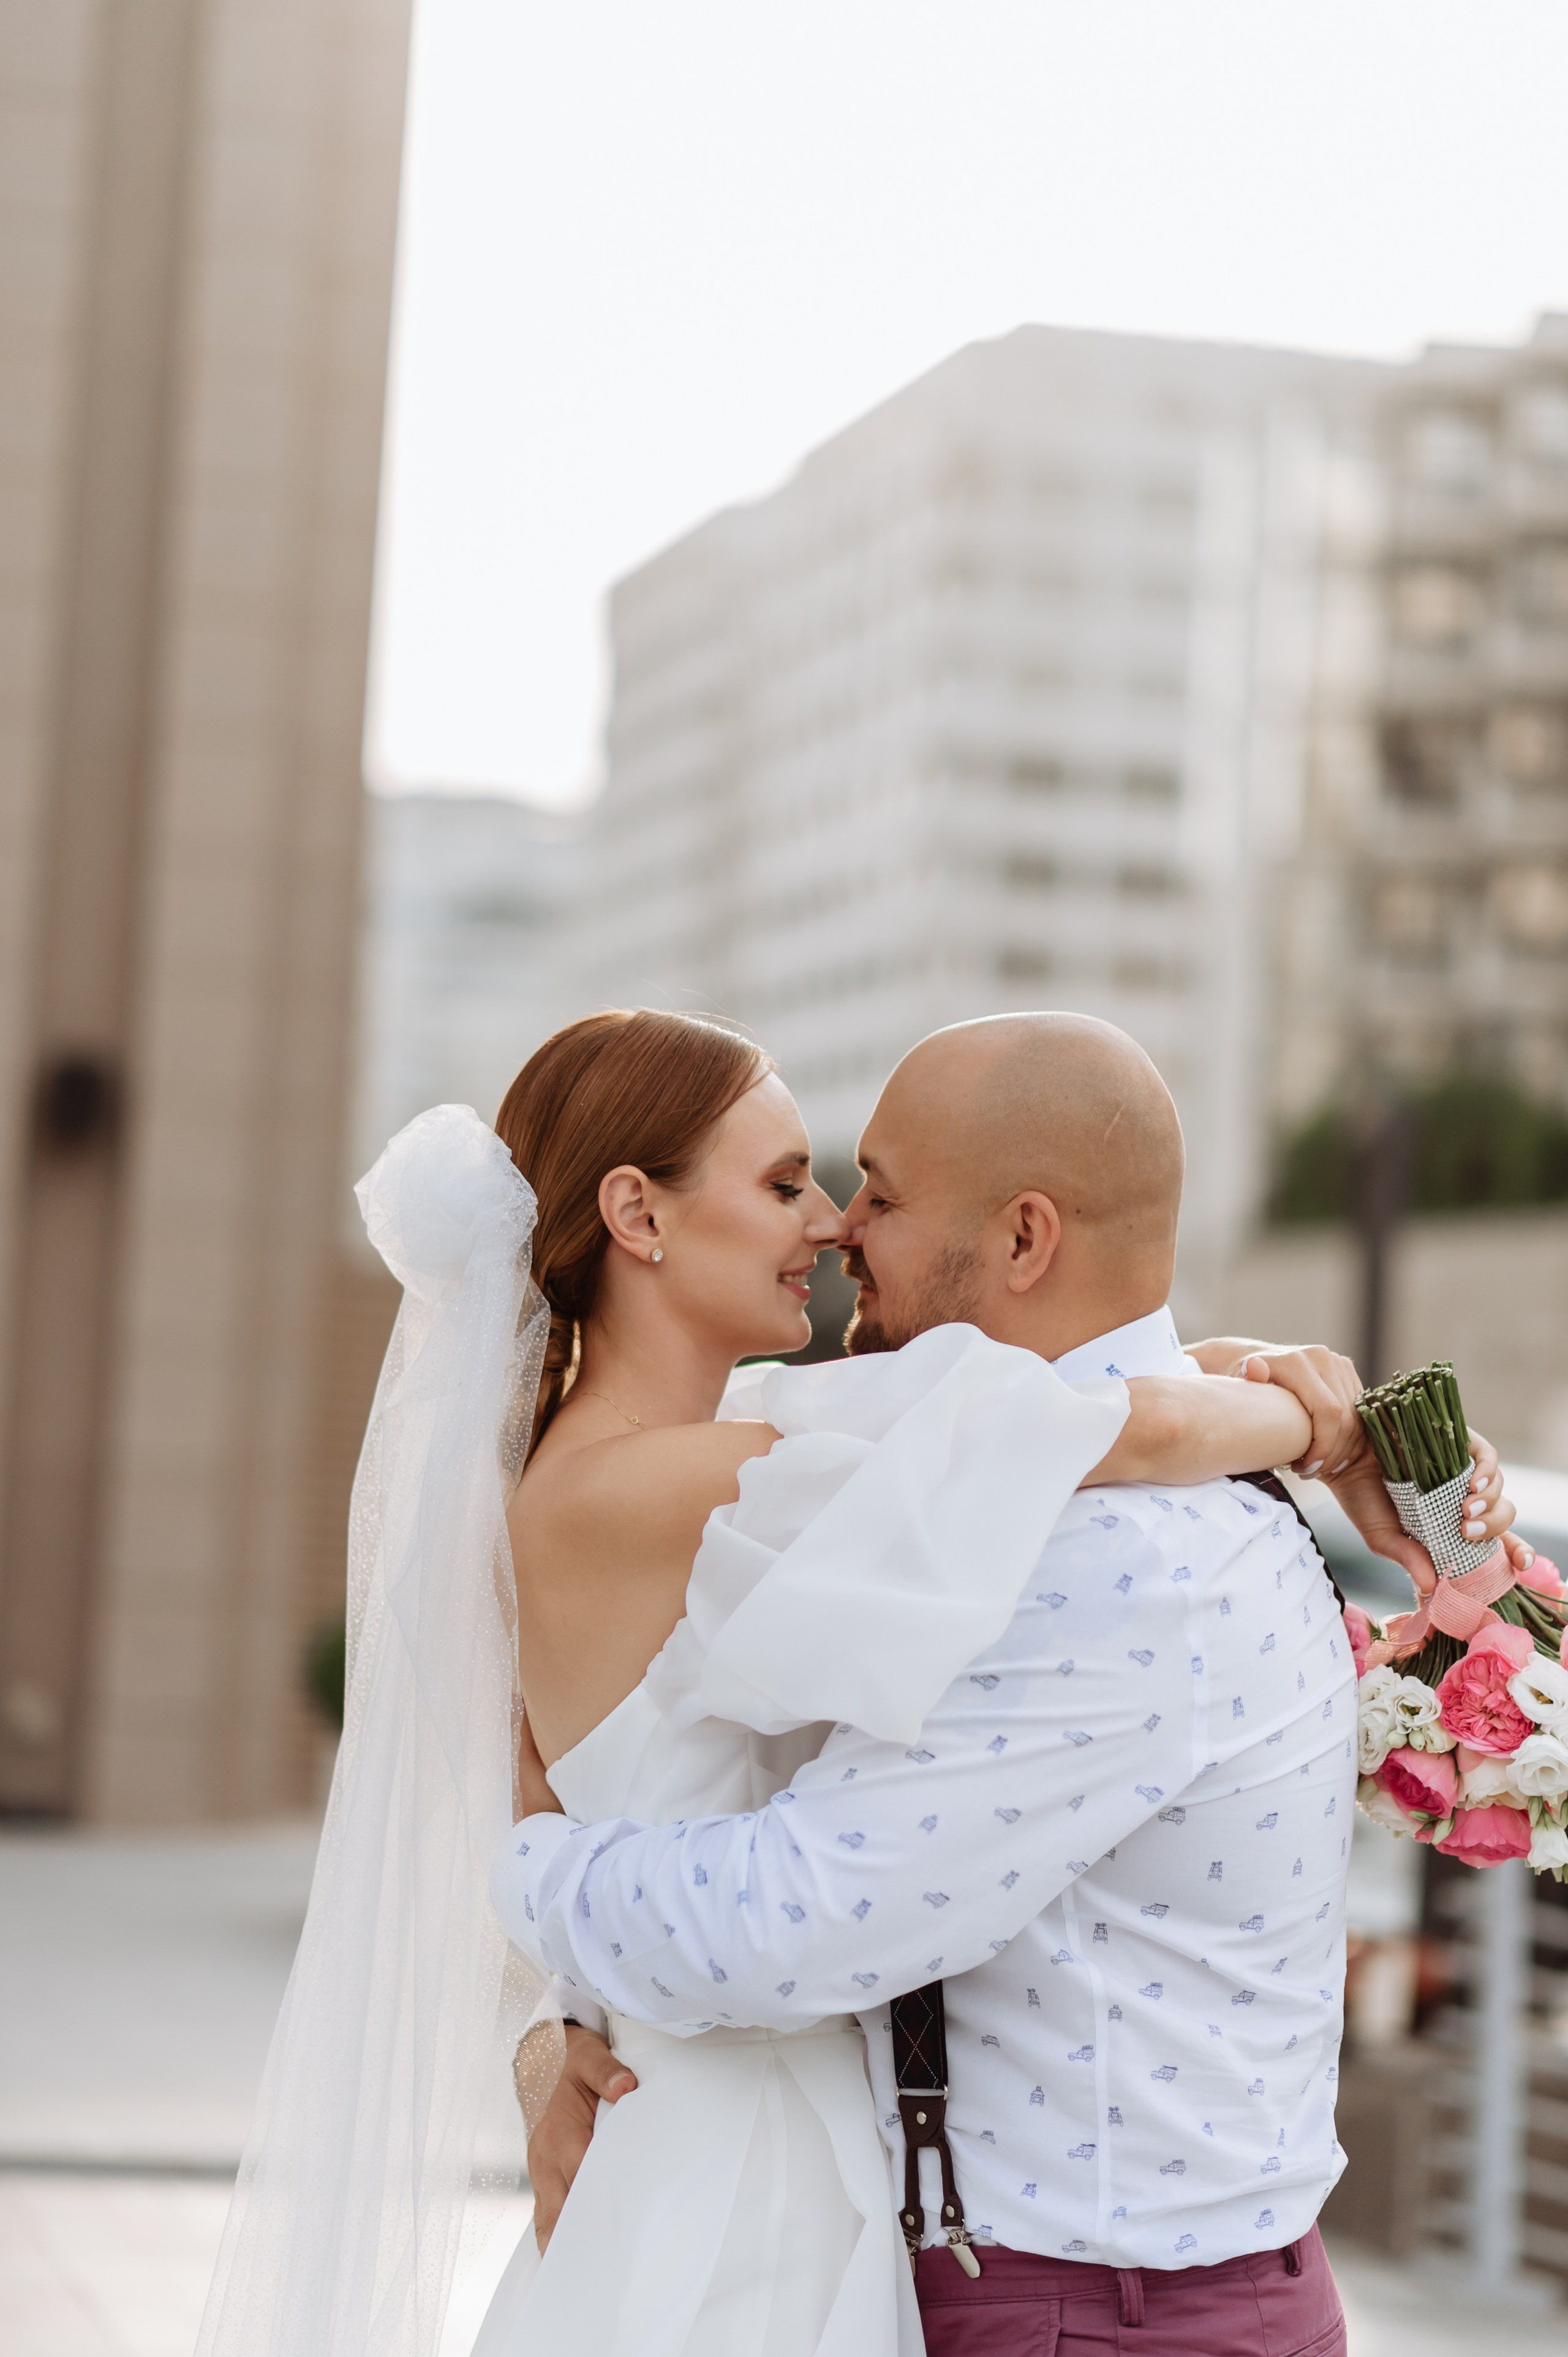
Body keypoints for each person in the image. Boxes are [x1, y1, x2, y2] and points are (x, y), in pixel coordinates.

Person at [491, 1010, 1520, 2357]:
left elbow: (798, 1918)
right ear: (636, 1215)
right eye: (793, 1181)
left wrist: (519, 1878)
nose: (839, 1225)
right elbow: (1115, 1413)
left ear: (1025, 1238)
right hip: (838, 2182)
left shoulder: (1100, 1550)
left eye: (872, 1187)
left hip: (1089, 2306)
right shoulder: (826, 1469)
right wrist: (1311, 1415)